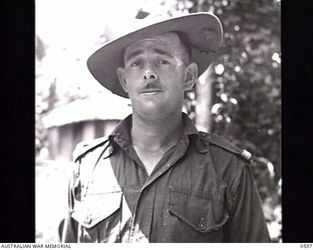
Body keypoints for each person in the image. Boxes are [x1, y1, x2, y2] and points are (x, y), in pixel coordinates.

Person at [59, 11, 270, 243]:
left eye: (163, 60)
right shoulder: (87, 167)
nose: (148, 73)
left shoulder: (228, 169)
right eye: (137, 63)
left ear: (189, 76)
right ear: (123, 80)